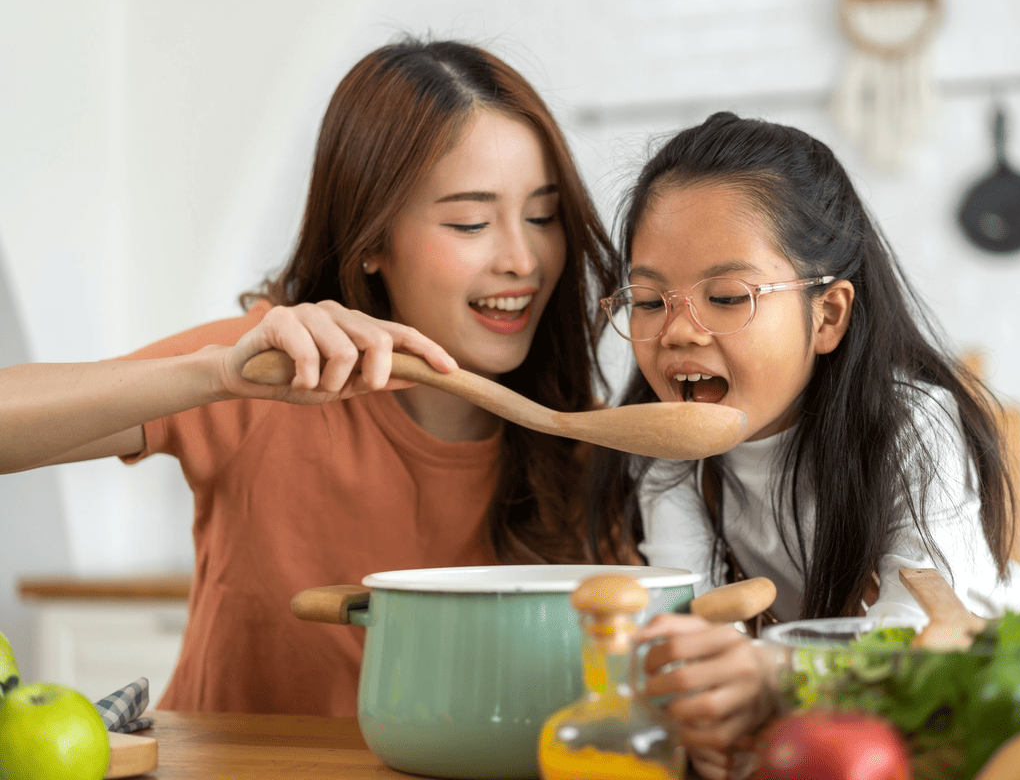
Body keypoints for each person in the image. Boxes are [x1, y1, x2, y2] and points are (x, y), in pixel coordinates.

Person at [0, 38, 623, 716]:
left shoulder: (582, 447)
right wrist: (213, 377)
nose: (523, 258)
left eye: (543, 216)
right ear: (374, 239)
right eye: (471, 221)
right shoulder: (266, 371)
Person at [585, 112, 1020, 779]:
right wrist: (703, 707)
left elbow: (923, 642)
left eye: (728, 296)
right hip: (816, 737)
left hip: (974, 721)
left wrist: (766, 676)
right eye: (649, 301)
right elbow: (698, 632)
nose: (677, 332)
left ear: (827, 316)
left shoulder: (915, 428)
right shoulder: (668, 457)